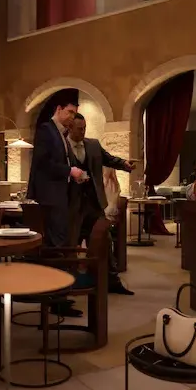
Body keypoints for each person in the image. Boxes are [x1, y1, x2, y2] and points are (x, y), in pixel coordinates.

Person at [66, 113, 136, 294]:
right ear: (70, 128)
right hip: (71, 207)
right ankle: (68, 287)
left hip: (94, 204)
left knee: (104, 241)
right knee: (69, 247)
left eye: (85, 128)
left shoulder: (93, 145)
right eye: (79, 128)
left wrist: (124, 164)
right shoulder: (61, 146)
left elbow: (109, 159)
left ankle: (112, 282)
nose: (83, 131)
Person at [26, 95, 86, 248]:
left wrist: (75, 173)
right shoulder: (46, 129)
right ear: (59, 109)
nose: (72, 117)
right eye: (70, 112)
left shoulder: (61, 133)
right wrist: (69, 171)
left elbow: (61, 160)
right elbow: (43, 163)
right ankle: (56, 263)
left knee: (61, 237)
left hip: (60, 194)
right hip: (50, 195)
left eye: (74, 113)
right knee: (55, 241)